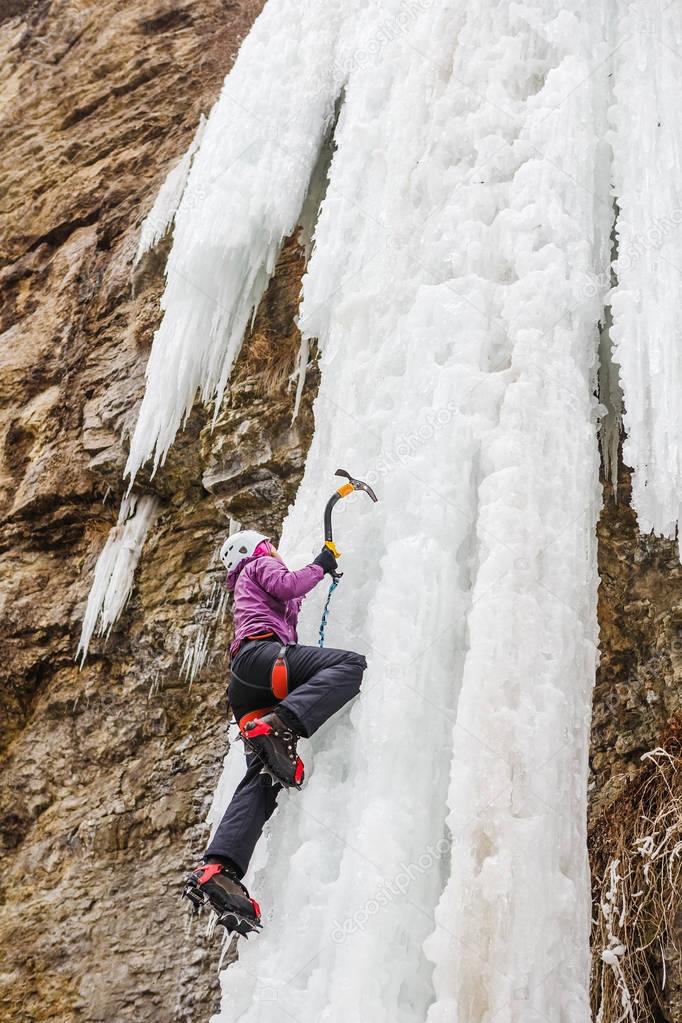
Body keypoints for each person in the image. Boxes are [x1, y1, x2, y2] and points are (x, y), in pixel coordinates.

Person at [183, 529, 367, 934]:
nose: (278, 553)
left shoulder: (246, 586)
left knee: (264, 776)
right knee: (352, 665)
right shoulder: (259, 564)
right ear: (256, 548)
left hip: (248, 686)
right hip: (263, 660)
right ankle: (281, 723)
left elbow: (291, 596)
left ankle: (220, 867)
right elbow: (289, 584)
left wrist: (323, 570)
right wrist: (320, 563)